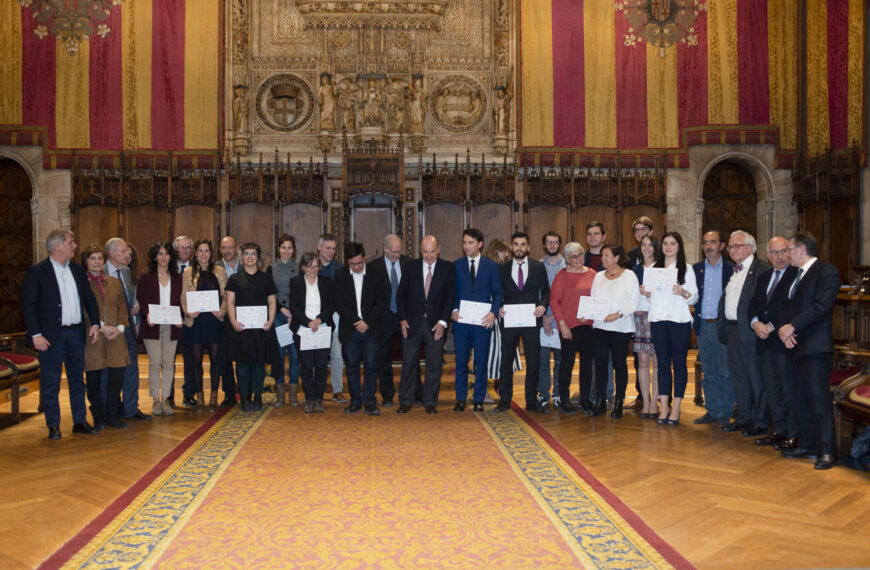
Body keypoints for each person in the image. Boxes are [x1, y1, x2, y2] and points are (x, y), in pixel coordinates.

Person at [21, 229, 101, 439]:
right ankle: (53, 425)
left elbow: (89, 299)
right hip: (50, 336)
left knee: (77, 380)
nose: (74, 246)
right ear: (57, 245)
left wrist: (95, 324)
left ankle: (80, 421)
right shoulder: (37, 271)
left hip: (75, 333)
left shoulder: (76, 270)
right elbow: (28, 306)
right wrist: (35, 334)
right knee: (51, 382)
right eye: (70, 242)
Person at [777, 232, 840, 470]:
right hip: (793, 344)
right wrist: (785, 329)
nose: (786, 255)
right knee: (799, 398)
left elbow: (821, 307)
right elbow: (785, 305)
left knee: (818, 399)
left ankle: (827, 451)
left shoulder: (826, 272)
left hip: (815, 346)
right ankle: (808, 444)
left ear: (802, 249)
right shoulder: (794, 274)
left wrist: (793, 326)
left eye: (789, 249)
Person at [717, 230, 770, 436]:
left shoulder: (762, 270)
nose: (732, 250)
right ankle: (744, 417)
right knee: (739, 378)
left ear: (750, 247)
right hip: (732, 331)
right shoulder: (735, 271)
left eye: (736, 246)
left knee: (756, 378)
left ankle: (760, 421)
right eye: (730, 247)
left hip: (750, 331)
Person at [748, 236, 798, 449]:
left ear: (790, 252)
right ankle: (779, 430)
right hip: (764, 342)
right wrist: (755, 323)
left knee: (789, 390)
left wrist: (770, 326)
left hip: (784, 341)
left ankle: (793, 434)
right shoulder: (764, 276)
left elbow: (790, 307)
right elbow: (754, 304)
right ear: (767, 256)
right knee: (772, 390)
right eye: (774, 253)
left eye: (783, 251)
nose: (779, 257)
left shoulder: (797, 275)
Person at [396, 236, 455, 413]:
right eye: (425, 252)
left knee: (434, 364)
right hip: (412, 323)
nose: (428, 256)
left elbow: (450, 297)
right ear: (420, 251)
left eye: (432, 251)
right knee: (408, 364)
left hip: (436, 325)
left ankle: (430, 401)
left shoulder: (447, 268)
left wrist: (443, 322)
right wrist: (402, 319)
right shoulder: (410, 267)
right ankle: (406, 400)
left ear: (438, 250)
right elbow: (401, 295)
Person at [495, 232, 549, 413]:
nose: (519, 248)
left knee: (533, 361)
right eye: (516, 244)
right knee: (505, 362)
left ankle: (531, 400)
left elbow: (547, 291)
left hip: (531, 320)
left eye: (523, 244)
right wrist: (498, 308)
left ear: (529, 247)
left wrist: (543, 306)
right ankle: (504, 400)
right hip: (508, 321)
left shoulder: (538, 267)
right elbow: (497, 293)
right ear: (511, 247)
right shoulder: (502, 268)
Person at [648, 231, 698, 425]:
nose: (668, 247)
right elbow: (651, 297)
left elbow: (694, 297)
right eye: (665, 243)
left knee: (678, 364)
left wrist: (684, 292)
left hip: (679, 321)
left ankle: (676, 406)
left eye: (673, 243)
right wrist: (646, 292)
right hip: (659, 320)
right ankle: (664, 405)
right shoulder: (653, 268)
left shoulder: (687, 269)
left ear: (679, 247)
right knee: (662, 364)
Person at [334, 241, 388, 415]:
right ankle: (355, 402)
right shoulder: (340, 275)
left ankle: (370, 402)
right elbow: (338, 303)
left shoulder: (377, 274)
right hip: (350, 330)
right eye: (352, 264)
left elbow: (382, 301)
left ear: (364, 257)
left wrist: (367, 322)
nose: (356, 267)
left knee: (372, 366)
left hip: (371, 329)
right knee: (351, 367)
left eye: (359, 263)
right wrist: (356, 322)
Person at [81, 243, 130, 429]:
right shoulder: (82, 283)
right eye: (92, 258)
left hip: (116, 336)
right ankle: (99, 417)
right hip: (93, 336)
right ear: (86, 261)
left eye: (100, 258)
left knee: (116, 378)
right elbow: (83, 310)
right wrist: (102, 327)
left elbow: (122, 308)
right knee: (93, 380)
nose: (96, 262)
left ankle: (112, 415)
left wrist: (119, 328)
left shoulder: (114, 282)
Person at [453, 228, 502, 412]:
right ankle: (460, 398)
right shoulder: (456, 265)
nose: (466, 246)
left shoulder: (491, 266)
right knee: (461, 361)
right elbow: (452, 292)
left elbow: (497, 293)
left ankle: (479, 398)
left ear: (480, 244)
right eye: (464, 242)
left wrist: (493, 312)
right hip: (462, 323)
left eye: (470, 242)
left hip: (483, 322)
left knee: (481, 361)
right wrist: (454, 310)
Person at [225, 242, 279, 412]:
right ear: (241, 256)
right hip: (241, 328)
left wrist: (270, 321)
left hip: (260, 329)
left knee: (258, 365)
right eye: (246, 254)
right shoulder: (234, 278)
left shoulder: (266, 278)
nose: (249, 257)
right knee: (242, 366)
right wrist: (233, 322)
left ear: (258, 257)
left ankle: (257, 397)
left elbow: (271, 301)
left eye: (253, 254)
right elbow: (230, 302)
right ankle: (244, 398)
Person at [589, 244, 638, 418]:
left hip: (621, 327)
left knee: (619, 364)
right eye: (602, 255)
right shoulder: (599, 276)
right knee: (601, 364)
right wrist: (586, 313)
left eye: (606, 255)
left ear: (617, 258)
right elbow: (593, 300)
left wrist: (617, 315)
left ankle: (619, 402)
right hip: (600, 327)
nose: (602, 258)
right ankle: (601, 400)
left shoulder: (629, 276)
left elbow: (633, 302)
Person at [691, 230, 734, 427]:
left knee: (725, 371)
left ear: (722, 246)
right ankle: (712, 410)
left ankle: (725, 412)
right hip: (703, 325)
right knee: (708, 371)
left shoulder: (732, 269)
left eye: (713, 242)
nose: (709, 246)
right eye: (705, 243)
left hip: (723, 326)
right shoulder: (696, 269)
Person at [104, 237, 149, 422]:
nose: (127, 255)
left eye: (128, 252)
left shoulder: (126, 272)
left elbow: (132, 293)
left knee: (132, 371)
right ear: (112, 253)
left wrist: (136, 305)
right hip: (108, 330)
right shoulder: (100, 271)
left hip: (128, 327)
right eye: (123, 252)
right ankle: (111, 410)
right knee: (109, 372)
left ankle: (131, 409)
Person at [180, 239, 228, 411]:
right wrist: (187, 311)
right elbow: (183, 296)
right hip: (196, 322)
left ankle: (214, 396)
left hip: (215, 322)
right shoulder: (188, 272)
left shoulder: (220, 271)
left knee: (216, 360)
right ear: (195, 253)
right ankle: (199, 397)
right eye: (200, 250)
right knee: (196, 361)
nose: (203, 254)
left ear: (211, 253)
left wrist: (222, 311)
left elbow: (227, 297)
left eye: (207, 251)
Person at [137, 242, 183, 417]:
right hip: (152, 325)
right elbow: (140, 300)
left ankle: (166, 399)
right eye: (160, 254)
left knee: (169, 362)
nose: (163, 257)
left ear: (171, 257)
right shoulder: (146, 277)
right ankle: (155, 400)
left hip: (172, 325)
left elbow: (181, 301)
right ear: (155, 256)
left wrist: (181, 316)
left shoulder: (177, 277)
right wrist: (146, 314)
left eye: (167, 254)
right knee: (155, 362)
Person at [549, 242, 595, 415]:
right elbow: (554, 301)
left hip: (589, 326)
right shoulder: (561, 276)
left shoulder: (593, 274)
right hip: (568, 327)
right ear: (567, 259)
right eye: (574, 256)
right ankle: (565, 400)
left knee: (587, 365)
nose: (578, 259)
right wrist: (562, 325)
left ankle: (585, 399)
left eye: (580, 254)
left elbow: (598, 299)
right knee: (566, 364)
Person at [368, 234, 412, 406]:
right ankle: (387, 394)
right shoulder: (373, 267)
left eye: (399, 251)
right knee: (383, 358)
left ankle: (411, 393)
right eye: (393, 252)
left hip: (405, 317)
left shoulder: (408, 263)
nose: (396, 255)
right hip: (383, 318)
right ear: (385, 249)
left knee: (410, 356)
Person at [290, 252, 336, 414]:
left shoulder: (327, 282)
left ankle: (319, 399)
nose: (312, 270)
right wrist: (308, 322)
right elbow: (294, 307)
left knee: (321, 366)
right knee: (307, 366)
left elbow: (332, 305)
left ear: (319, 267)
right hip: (303, 330)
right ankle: (309, 399)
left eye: (315, 266)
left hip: (322, 329)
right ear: (303, 267)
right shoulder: (295, 282)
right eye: (309, 266)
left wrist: (319, 319)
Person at [484, 238, 519, 399]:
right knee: (488, 356)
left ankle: (502, 390)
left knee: (503, 357)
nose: (507, 255)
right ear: (498, 251)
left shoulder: (504, 269)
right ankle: (484, 390)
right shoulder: (489, 268)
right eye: (506, 251)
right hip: (491, 317)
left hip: (505, 318)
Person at [268, 234, 301, 407]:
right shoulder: (271, 268)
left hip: (296, 317)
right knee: (279, 356)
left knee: (295, 356)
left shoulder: (300, 268)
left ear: (294, 249)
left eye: (289, 247)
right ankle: (280, 395)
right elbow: (269, 292)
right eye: (283, 247)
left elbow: (303, 292)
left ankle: (294, 396)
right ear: (278, 249)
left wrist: (293, 312)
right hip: (278, 315)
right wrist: (283, 309)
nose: (286, 251)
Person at [632, 235, 660, 419]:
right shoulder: (635, 269)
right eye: (643, 245)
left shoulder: (662, 268)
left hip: (658, 318)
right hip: (641, 319)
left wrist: (651, 296)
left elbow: (666, 294)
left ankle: (655, 402)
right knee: (642, 361)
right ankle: (646, 401)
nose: (646, 248)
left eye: (650, 245)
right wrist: (635, 308)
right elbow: (629, 294)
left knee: (658, 362)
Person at [317, 233, 346, 403]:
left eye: (334, 249)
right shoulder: (310, 265)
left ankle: (337, 390)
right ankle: (315, 391)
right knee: (314, 354)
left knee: (336, 354)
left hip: (335, 315)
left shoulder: (340, 268)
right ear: (319, 247)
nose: (331, 252)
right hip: (313, 315)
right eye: (328, 248)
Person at [538, 231, 565, 409]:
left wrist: (553, 317)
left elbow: (568, 296)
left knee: (561, 361)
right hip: (541, 320)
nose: (552, 245)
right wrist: (543, 319)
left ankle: (559, 394)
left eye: (555, 242)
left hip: (562, 320)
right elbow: (535, 293)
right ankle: (544, 394)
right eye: (549, 242)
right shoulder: (537, 266)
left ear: (559, 244)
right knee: (543, 360)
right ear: (544, 245)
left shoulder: (567, 265)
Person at [215, 236, 240, 405]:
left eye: (230, 247)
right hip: (222, 318)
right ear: (220, 249)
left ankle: (245, 391)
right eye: (224, 248)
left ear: (236, 248)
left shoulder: (246, 264)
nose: (227, 251)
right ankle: (229, 394)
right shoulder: (214, 268)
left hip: (244, 318)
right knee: (225, 358)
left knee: (243, 356)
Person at [172, 235, 195, 408]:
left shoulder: (197, 269)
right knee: (169, 360)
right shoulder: (167, 267)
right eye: (182, 247)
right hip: (171, 320)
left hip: (190, 321)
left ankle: (189, 394)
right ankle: (168, 395)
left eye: (188, 247)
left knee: (191, 360)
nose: (185, 251)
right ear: (175, 249)